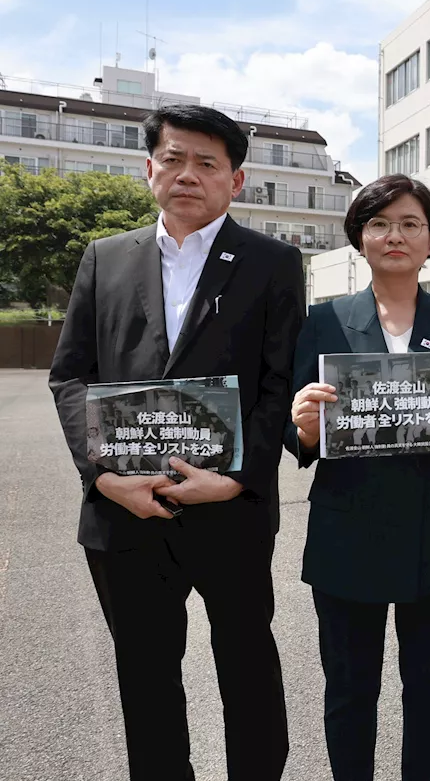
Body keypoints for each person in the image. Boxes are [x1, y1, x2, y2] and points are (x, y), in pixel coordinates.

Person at [49, 104, 302, 781]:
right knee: (145, 676)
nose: (188, 174)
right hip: (123, 510)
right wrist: (103, 476)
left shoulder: (274, 263)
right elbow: (71, 375)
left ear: (237, 179)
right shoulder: (105, 258)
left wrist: (239, 475)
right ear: (149, 168)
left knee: (248, 667)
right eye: (174, 158)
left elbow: (279, 385)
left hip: (230, 507)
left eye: (207, 163)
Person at [285, 175, 430, 781]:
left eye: (410, 224)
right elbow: (300, 433)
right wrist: (302, 425)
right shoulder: (323, 320)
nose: (394, 235)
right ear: (359, 237)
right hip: (348, 533)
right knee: (349, 691)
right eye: (379, 224)